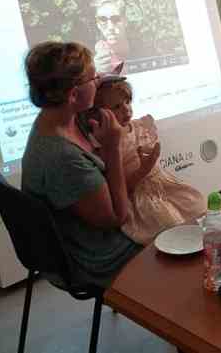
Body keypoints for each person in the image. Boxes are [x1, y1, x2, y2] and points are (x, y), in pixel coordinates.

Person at [21, 41, 142, 287]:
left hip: (79, 236)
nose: (98, 81)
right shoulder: (62, 157)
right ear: (73, 94)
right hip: (96, 258)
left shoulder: (56, 119)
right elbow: (118, 216)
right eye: (93, 78)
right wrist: (112, 147)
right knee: (185, 231)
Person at [91, 77, 206, 244]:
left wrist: (151, 161)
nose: (126, 109)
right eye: (116, 106)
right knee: (170, 224)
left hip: (162, 183)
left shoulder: (140, 125)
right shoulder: (107, 141)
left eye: (127, 102)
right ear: (101, 113)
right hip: (140, 195)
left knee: (197, 205)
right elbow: (119, 187)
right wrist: (144, 169)